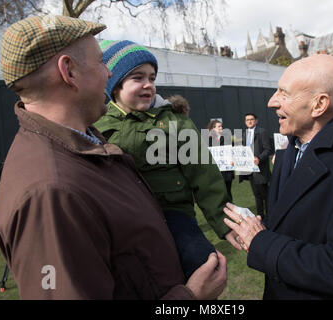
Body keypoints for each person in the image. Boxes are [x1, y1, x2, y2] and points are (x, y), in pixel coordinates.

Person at [0, 15, 226, 300]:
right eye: (101, 62)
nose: (107, 74)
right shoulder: (51, 193)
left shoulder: (85, 145)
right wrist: (190, 299)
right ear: (69, 71)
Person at [223, 54, 333, 300]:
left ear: (319, 105)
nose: (271, 101)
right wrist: (255, 227)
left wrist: (261, 242)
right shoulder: (288, 152)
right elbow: (297, 224)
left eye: (283, 93)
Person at [95, 40, 240, 278]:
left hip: (172, 214)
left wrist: (224, 223)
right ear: (115, 84)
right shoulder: (98, 124)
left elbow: (204, 173)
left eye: (152, 78)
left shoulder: (174, 122)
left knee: (202, 264)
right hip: (122, 219)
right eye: (137, 78)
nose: (148, 85)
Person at [242, 113, 273, 218]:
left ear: (256, 121)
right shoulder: (244, 133)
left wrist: (259, 158)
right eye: (247, 120)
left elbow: (268, 149)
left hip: (261, 169)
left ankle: (270, 216)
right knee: (257, 195)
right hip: (250, 170)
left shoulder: (262, 132)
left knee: (265, 195)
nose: (249, 121)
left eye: (251, 119)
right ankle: (260, 216)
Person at [207, 120, 234, 201]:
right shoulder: (208, 141)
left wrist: (233, 160)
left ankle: (231, 210)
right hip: (215, 172)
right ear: (213, 128)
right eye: (219, 126)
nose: (221, 128)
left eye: (221, 126)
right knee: (218, 194)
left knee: (227, 192)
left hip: (227, 171)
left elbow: (232, 152)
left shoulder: (227, 139)